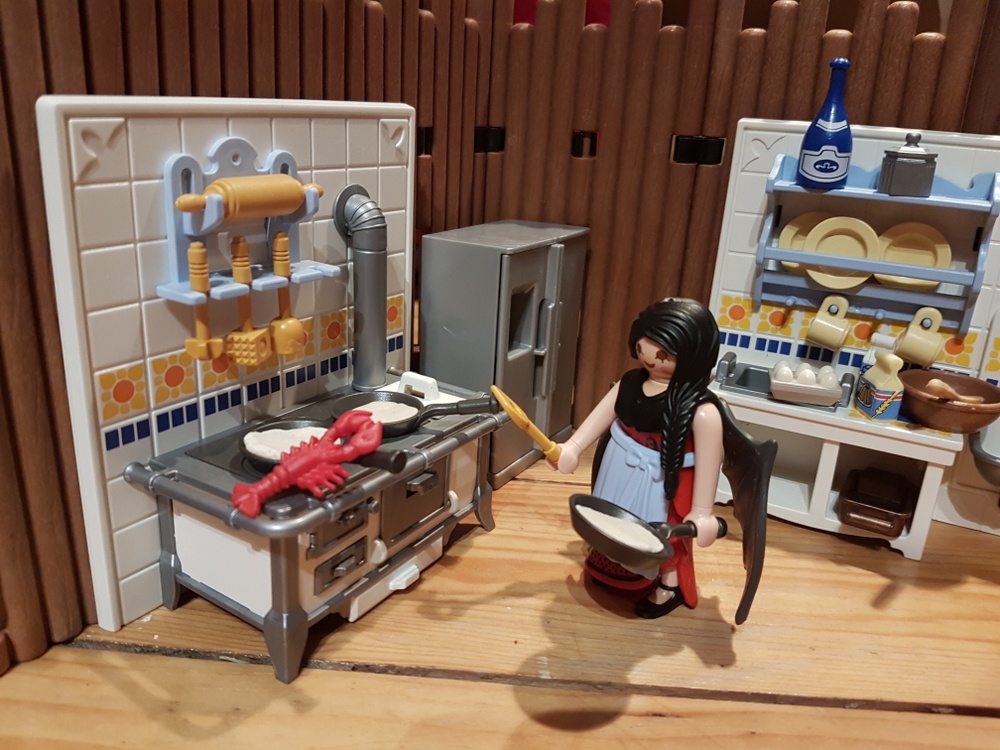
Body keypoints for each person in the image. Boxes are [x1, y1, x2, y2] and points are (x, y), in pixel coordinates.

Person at [555, 298, 725, 619]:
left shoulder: (701, 410)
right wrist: (573, 447)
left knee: (664, 532)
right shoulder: (630, 384)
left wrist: (703, 512)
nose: (651, 355)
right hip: (618, 464)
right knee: (611, 516)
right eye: (646, 344)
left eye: (665, 353)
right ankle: (612, 562)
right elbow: (599, 418)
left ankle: (670, 584)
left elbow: (709, 461)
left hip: (664, 477)